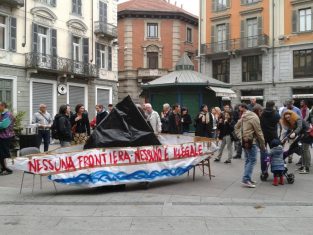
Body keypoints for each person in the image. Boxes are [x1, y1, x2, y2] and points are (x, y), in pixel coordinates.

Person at [235, 103, 265, 188]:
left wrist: (241, 137)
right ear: (259, 111)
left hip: (245, 141)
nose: (261, 113)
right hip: (252, 142)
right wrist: (263, 145)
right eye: (261, 111)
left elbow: (236, 127)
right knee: (252, 160)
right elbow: (259, 132)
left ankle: (248, 178)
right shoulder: (254, 117)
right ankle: (246, 179)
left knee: (248, 160)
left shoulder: (244, 116)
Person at [260, 101, 281, 173]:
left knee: (263, 153)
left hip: (263, 135)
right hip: (273, 136)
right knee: (275, 153)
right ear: (273, 106)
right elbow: (280, 124)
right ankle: (275, 169)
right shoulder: (276, 114)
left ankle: (264, 171)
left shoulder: (261, 114)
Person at [0, 102, 15, 175]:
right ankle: (3, 168)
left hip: (6, 136)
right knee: (2, 153)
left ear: (2, 106)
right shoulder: (3, 114)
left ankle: (8, 169)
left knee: (4, 153)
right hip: (2, 136)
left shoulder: (8, 114)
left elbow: (3, 125)